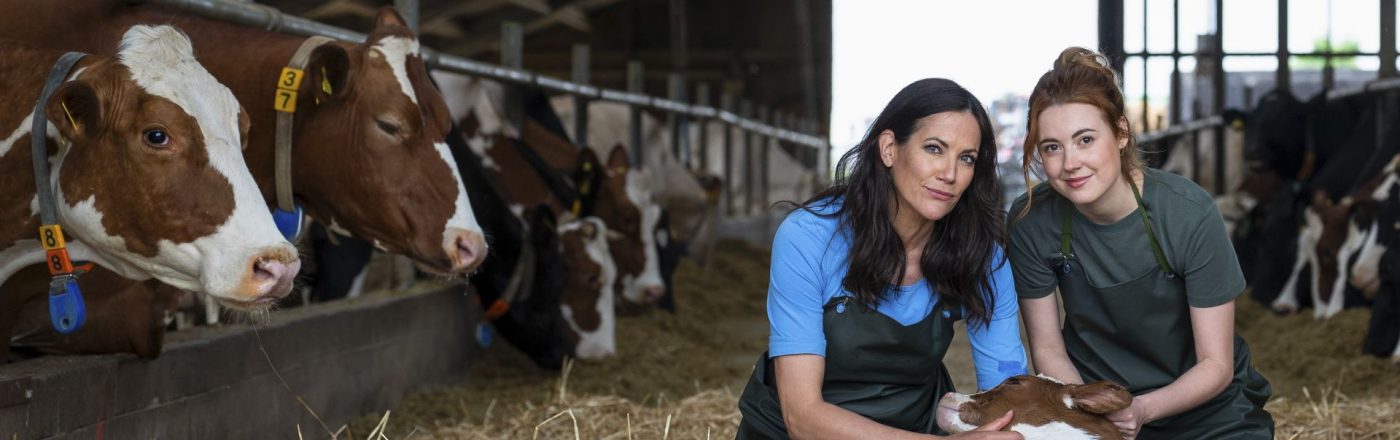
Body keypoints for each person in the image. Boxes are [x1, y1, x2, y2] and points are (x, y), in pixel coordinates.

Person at [736, 78, 1029, 439]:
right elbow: (802, 417)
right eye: (934, 149)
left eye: (966, 158)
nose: (950, 174)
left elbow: (1008, 402)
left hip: (913, 426)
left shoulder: (983, 258)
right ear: (889, 148)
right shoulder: (808, 237)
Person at [1007, 47, 1273, 439]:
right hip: (1092, 402)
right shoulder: (1031, 220)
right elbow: (1048, 350)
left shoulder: (1188, 214)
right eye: (1052, 147)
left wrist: (1143, 409)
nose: (1070, 163)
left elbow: (1216, 364)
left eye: (1085, 139)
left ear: (1120, 133)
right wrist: (1091, 413)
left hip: (1206, 411)